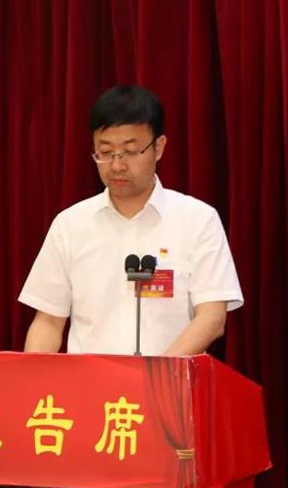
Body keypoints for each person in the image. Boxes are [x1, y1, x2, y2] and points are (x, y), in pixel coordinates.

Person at [19, 85, 243, 356]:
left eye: (131, 151)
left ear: (158, 147)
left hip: (167, 380)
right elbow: (48, 323)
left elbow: (212, 317)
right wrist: (34, 375)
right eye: (105, 152)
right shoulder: (70, 225)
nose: (117, 165)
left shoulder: (197, 220)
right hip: (89, 381)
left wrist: (153, 375)